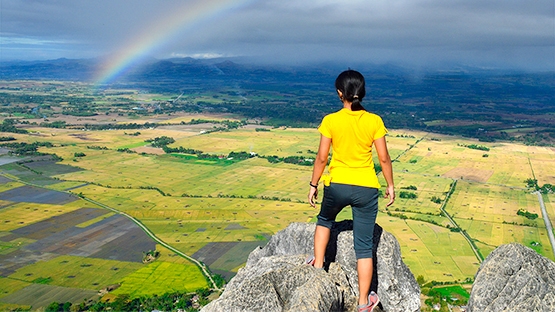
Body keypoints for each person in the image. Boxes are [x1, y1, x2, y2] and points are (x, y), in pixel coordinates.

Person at [307, 69, 395, 312]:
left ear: (339, 94)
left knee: (325, 220)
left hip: (337, 185)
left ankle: (317, 269)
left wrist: (314, 185)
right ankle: (363, 303)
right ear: (362, 93)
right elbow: (384, 158)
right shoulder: (374, 121)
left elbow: (322, 157)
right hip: (366, 188)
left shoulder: (330, 121)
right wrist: (390, 185)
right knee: (364, 247)